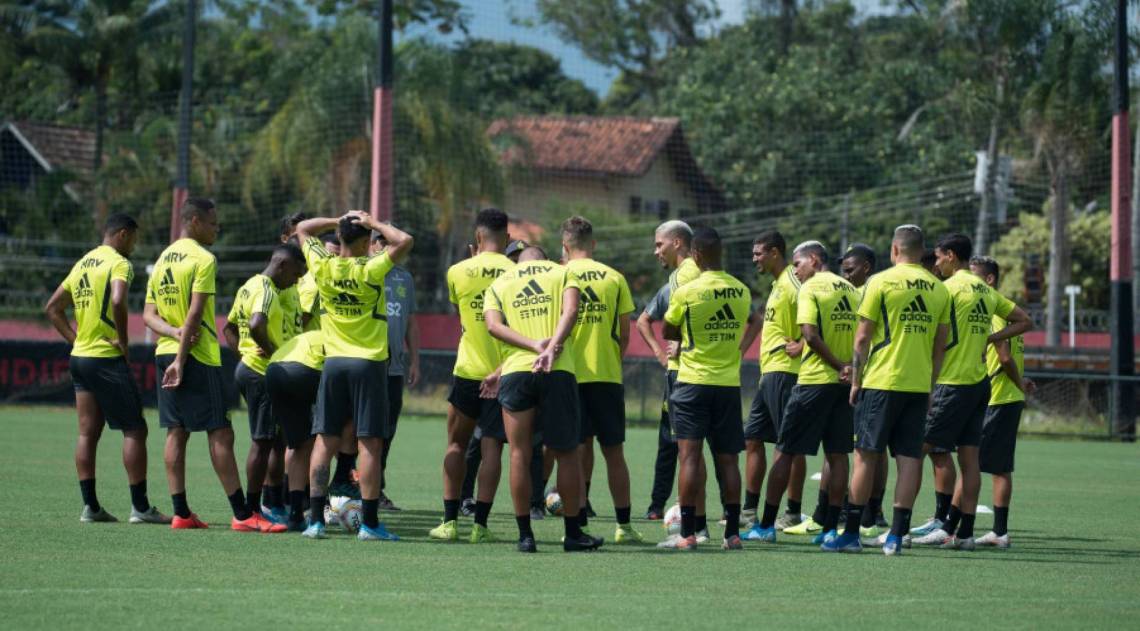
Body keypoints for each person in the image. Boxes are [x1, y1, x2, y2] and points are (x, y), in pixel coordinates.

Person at [143, 197, 282, 532]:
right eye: (212, 222)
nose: (217, 228)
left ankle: (181, 512)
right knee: (220, 431)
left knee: (176, 430)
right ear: (193, 221)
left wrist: (173, 336)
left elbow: (148, 316)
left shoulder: (162, 259)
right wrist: (182, 355)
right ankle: (243, 514)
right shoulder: (203, 259)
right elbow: (194, 312)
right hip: (197, 356)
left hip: (164, 351)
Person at [827, 224, 950, 555]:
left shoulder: (879, 282)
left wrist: (856, 380)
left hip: (881, 382)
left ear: (895, 250)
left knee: (865, 456)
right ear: (920, 250)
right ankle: (896, 536)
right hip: (917, 385)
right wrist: (930, 388)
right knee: (909, 459)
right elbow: (940, 347)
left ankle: (851, 533)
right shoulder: (939, 289)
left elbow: (863, 337)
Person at [294, 210, 413, 541]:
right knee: (370, 443)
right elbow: (404, 240)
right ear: (365, 243)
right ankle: (371, 524)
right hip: (369, 363)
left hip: (333, 363)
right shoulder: (372, 268)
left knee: (325, 439)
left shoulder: (323, 264)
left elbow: (302, 229)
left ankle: (316, 521)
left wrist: (339, 220)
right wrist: (374, 221)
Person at [44, 213, 168, 525]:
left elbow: (52, 308)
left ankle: (90, 507)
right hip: (106, 357)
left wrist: (76, 340)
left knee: (87, 433)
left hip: (81, 358)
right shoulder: (119, 263)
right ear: (123, 234)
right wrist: (123, 341)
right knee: (135, 429)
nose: (135, 246)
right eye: (135, 239)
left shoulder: (83, 263)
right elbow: (117, 299)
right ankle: (140, 508)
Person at [911, 234, 1030, 550]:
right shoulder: (985, 291)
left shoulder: (945, 290)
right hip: (980, 385)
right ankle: (963, 534)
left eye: (938, 257)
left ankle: (900, 528)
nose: (935, 264)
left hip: (952, 382)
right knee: (970, 460)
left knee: (914, 451)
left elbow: (931, 335)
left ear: (950, 255)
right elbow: (1024, 320)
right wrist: (991, 340)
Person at [484, 246, 602, 553]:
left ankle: (525, 536)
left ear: (520, 263)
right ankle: (574, 534)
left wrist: (534, 345)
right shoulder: (563, 273)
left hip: (516, 372)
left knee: (519, 454)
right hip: (558, 370)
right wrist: (552, 347)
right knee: (566, 454)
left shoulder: (500, 283)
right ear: (545, 260)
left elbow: (494, 326)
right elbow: (572, 311)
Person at [747, 241, 859, 547]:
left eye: (798, 264)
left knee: (785, 450)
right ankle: (829, 531)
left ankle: (767, 525)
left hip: (813, 381)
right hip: (843, 385)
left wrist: (837, 365)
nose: (795, 270)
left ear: (813, 260)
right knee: (838, 456)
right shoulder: (851, 290)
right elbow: (863, 336)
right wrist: (851, 369)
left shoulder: (811, 288)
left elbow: (809, 334)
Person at [659, 226, 751, 551]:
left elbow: (669, 329)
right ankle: (733, 534)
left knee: (689, 458)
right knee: (728, 461)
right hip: (728, 385)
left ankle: (687, 534)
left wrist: (686, 337)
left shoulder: (688, 291)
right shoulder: (741, 290)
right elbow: (748, 322)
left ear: (696, 255)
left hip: (693, 382)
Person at [430, 208, 514, 543]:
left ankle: (449, 522)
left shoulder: (457, 271)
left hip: (467, 369)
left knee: (456, 443)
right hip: (503, 371)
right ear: (506, 238)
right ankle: (480, 525)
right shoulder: (516, 270)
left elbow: (461, 314)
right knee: (493, 449)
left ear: (477, 237)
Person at [637, 220, 721, 539]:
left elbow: (667, 326)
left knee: (688, 452)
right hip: (716, 375)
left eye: (659, 244)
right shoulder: (714, 276)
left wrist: (676, 347)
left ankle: (693, 528)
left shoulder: (682, 276)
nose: (655, 251)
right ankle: (717, 526)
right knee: (711, 452)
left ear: (677, 244)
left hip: (686, 375)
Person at [562, 216, 643, 543]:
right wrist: (609, 359)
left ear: (565, 246)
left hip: (569, 374)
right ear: (593, 244)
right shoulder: (615, 278)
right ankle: (623, 525)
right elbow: (625, 333)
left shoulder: (561, 275)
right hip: (607, 376)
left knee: (576, 449)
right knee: (614, 452)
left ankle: (578, 518)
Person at [222, 244, 306, 524]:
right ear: (282, 265)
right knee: (262, 442)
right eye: (295, 273)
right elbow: (257, 324)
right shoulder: (266, 290)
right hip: (261, 372)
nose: (295, 280)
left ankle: (264, 506)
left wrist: (243, 355)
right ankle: (252, 511)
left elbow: (229, 328)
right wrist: (273, 353)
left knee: (272, 440)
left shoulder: (248, 285)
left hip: (251, 369)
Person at [742, 230, 808, 536]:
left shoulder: (796, 283)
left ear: (775, 253)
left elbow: (821, 318)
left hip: (787, 373)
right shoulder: (777, 285)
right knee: (753, 439)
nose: (754, 258)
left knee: (789, 446)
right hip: (769, 374)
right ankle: (748, 511)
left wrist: (806, 347)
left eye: (758, 253)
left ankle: (791, 512)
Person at [970, 256, 1034, 548]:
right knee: (999, 466)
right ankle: (998, 530)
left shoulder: (993, 309)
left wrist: (1019, 381)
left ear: (990, 280)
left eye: (974, 276)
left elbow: (1005, 356)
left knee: (984, 464)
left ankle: (994, 531)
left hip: (999, 397)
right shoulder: (1009, 308)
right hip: (1008, 397)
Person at [365, 231, 420, 511]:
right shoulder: (363, 270)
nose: (389, 245)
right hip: (366, 366)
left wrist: (415, 360)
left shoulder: (404, 278)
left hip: (394, 369)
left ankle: (377, 489)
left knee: (386, 431)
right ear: (372, 244)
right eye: (382, 240)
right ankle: (341, 493)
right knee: (358, 432)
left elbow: (410, 321)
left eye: (391, 240)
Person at [835, 243, 888, 531]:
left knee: (865, 449)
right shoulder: (855, 291)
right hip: (864, 376)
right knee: (874, 448)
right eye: (843, 271)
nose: (845, 276)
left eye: (850, 270)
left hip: (865, 380)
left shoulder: (870, 291)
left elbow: (862, 339)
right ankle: (873, 510)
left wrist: (854, 374)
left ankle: (857, 510)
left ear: (867, 267)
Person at [265, 330, 326, 531]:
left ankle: (295, 514)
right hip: (305, 370)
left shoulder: (313, 335)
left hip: (274, 370)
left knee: (298, 444)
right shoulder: (343, 340)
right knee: (329, 437)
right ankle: (323, 504)